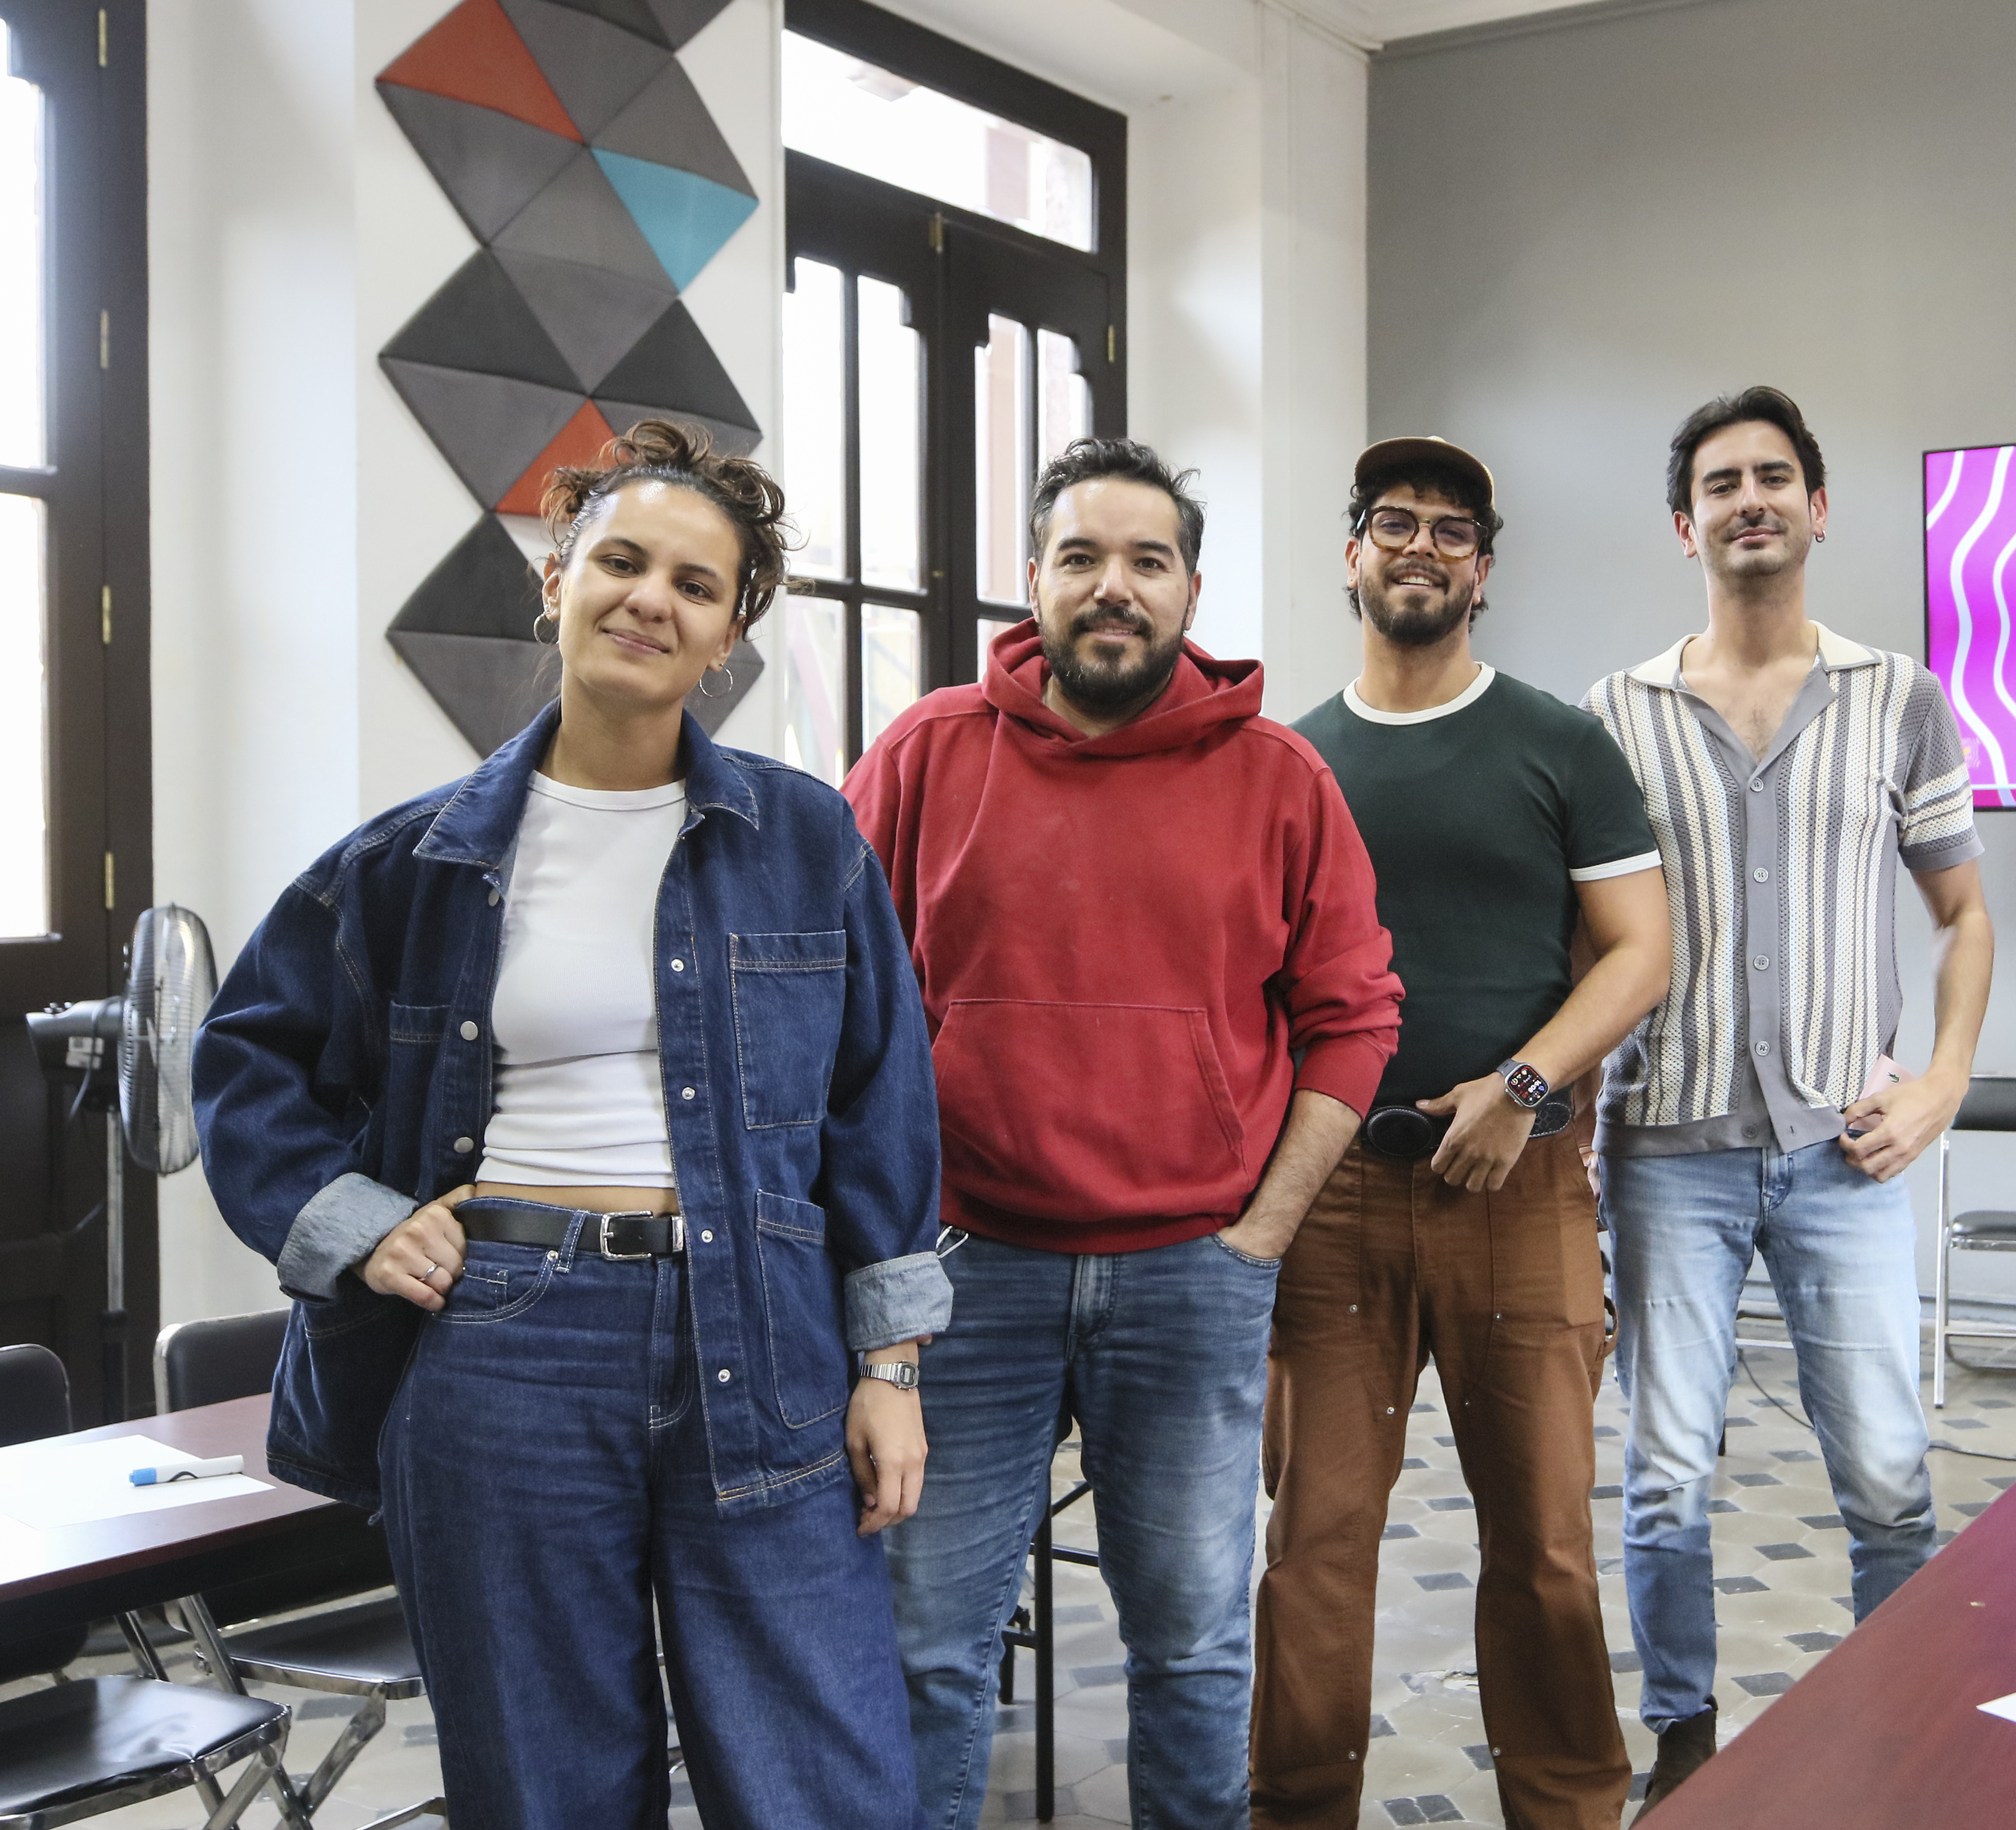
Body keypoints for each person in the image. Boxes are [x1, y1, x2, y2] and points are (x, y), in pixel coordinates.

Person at [193, 420, 949, 1829]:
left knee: (823, 1781)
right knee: (548, 1789)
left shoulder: (806, 841)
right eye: (621, 561)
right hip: (504, 1348)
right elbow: (248, 1060)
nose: (650, 599)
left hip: (764, 1333)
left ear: (729, 634)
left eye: (695, 584)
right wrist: (359, 1225)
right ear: (559, 580)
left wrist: (891, 1364)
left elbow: (879, 1107)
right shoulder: (413, 859)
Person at [845, 436, 1402, 1830]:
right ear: (1032, 578)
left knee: (1195, 1647)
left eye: (1148, 561)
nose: (1114, 586)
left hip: (1191, 1274)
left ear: (1190, 591)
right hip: (967, 1273)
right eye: (1082, 556)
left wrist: (1260, 1233)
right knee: (927, 1646)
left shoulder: (1282, 777)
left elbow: (1354, 1018)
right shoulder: (924, 755)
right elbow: (840, 1009)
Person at [1583, 387, 1994, 1817]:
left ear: (1818, 509)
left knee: (1888, 1477)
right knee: (1662, 1478)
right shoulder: (1617, 715)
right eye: (1720, 482)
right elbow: (1586, 940)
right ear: (1683, 524)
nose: (1747, 498)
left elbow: (1963, 915)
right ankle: (1684, 1744)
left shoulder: (1900, 698)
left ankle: (1903, 1730)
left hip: (1846, 1156)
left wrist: (1942, 1083)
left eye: (1773, 477)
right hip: (1664, 1154)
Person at [1252, 438, 1670, 1830]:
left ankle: (1568, 1810)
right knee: (1314, 1545)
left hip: (1519, 1192)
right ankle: (1296, 1809)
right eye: (1394, 522)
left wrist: (1523, 1088)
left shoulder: (1560, 745)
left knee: (1545, 1544)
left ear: (1483, 569)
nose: (1420, 546)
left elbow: (1642, 952)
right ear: (1352, 552)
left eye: (1451, 529)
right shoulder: (1291, 761)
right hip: (1334, 1202)